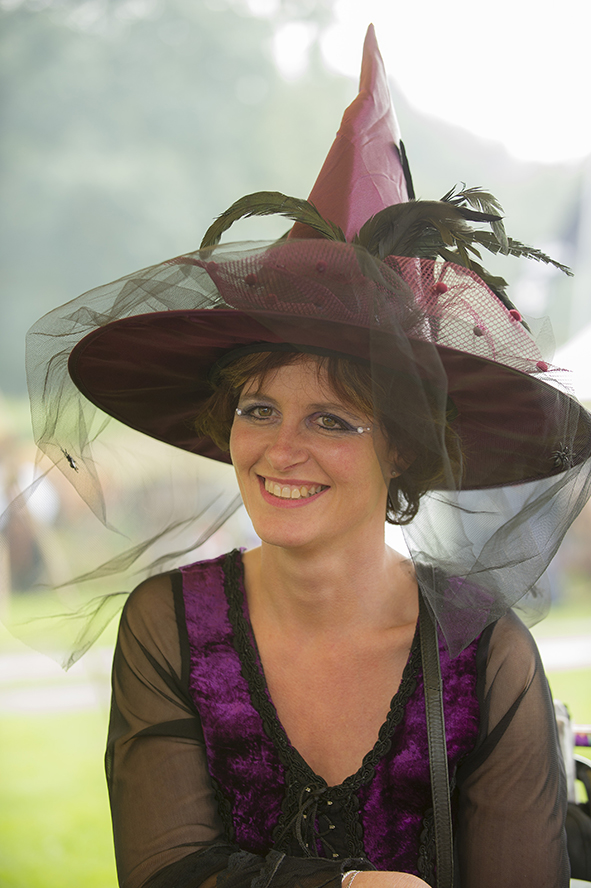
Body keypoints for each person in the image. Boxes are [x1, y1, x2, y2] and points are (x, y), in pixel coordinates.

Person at [22, 24, 591, 888]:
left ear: (401, 447)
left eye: (331, 420)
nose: (280, 450)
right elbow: (165, 870)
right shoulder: (172, 627)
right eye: (259, 409)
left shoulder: (483, 656)